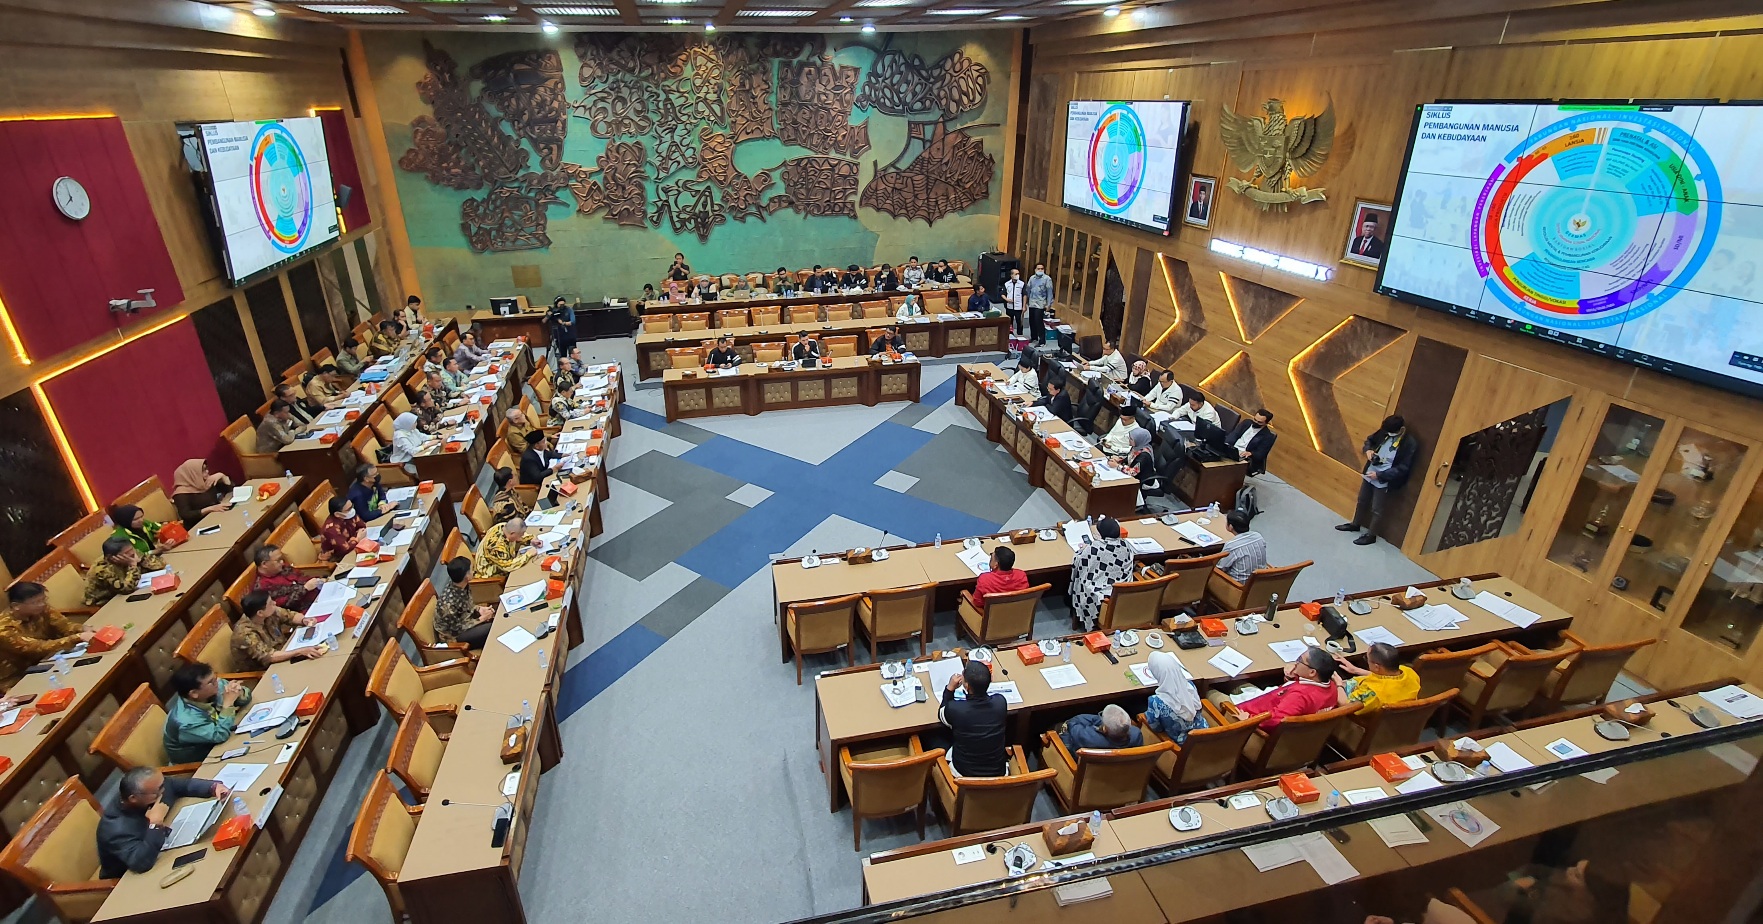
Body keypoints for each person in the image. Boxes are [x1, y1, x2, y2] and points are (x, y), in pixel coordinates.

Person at [97, 767, 231, 878]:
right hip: (127, 880)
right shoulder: (115, 828)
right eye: (158, 791)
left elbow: (179, 785)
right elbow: (141, 863)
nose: (163, 791)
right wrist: (155, 824)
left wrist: (213, 787)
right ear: (133, 798)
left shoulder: (151, 789)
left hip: (163, 846)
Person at [1337, 415, 1419, 546]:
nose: (1388, 434)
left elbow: (1403, 468)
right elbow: (1369, 440)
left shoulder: (1409, 443)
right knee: (1362, 500)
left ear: (1400, 429)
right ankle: (1355, 524)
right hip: (1370, 471)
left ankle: (1371, 535)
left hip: (1385, 478)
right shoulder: (1384, 431)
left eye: (1391, 432)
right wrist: (1368, 450)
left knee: (1377, 509)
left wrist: (1380, 475)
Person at [1207, 647, 1340, 728]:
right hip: (1266, 697)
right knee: (1232, 680)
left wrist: (1249, 719)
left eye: (1300, 660)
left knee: (1208, 691)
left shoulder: (1300, 697)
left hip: (1246, 715)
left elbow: (1276, 720)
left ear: (1312, 672)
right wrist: (1293, 677)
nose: (1296, 662)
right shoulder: (1332, 687)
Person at [0, 583, 92, 690]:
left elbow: (65, 626)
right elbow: (38, 647)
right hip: (18, 677)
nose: (42, 604)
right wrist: (78, 637)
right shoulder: (4, 628)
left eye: (43, 599)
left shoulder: (42, 609)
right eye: (35, 602)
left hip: (50, 661)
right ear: (16, 606)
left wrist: (82, 629)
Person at [163, 661, 252, 764]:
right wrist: (228, 705)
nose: (218, 682)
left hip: (221, 742)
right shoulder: (186, 721)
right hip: (200, 761)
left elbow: (245, 698)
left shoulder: (215, 686)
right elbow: (219, 735)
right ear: (194, 693)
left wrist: (239, 693)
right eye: (211, 682)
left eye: (215, 677)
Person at [939, 659, 1008, 777]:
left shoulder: (956, 709)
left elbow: (942, 714)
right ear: (991, 679)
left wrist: (949, 689)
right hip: (998, 775)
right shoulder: (1000, 702)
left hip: (964, 776)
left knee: (935, 739)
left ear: (966, 685)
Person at [1070, 517, 1136, 631]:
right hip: (1124, 589)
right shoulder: (1126, 545)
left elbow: (1079, 562)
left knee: (1079, 581)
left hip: (1102, 593)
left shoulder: (1094, 548)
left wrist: (1083, 550)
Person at [232, 591, 323, 670]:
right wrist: (299, 652)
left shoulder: (269, 612)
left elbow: (290, 615)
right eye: (270, 603)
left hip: (284, 651)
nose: (274, 603)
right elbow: (269, 656)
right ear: (260, 613)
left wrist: (304, 620)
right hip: (265, 670)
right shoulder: (245, 634)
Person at [1144, 651, 1207, 743]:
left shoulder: (1156, 702)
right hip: (1205, 736)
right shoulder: (1190, 686)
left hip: (1183, 744)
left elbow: (1156, 728)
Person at [1336, 643, 1420, 712]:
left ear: (1377, 667)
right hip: (1399, 715)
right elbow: (1386, 678)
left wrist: (1338, 684)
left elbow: (1345, 706)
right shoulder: (1409, 672)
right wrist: (1356, 670)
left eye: (1366, 658)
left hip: (1366, 714)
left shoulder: (1371, 693)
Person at [435, 557, 496, 650]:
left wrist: (479, 609)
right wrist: (482, 619)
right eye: (471, 570)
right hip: (455, 637)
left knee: (496, 617)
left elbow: (466, 606)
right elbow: (457, 629)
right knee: (493, 628)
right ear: (467, 577)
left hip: (465, 621)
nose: (473, 571)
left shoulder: (460, 585)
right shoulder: (448, 605)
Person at [83, 536, 162, 607]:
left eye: (132, 549)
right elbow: (126, 589)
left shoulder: (130, 554)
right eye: (127, 553)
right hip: (104, 603)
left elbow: (160, 564)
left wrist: (141, 560)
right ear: (112, 558)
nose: (132, 553)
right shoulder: (102, 569)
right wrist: (133, 566)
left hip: (121, 596)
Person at [251, 545, 321, 613]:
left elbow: (300, 576)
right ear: (264, 564)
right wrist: (304, 589)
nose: (282, 562)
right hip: (305, 610)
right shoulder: (262, 587)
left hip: (317, 594)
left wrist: (317, 580)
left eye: (282, 559)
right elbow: (283, 606)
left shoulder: (282, 567)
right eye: (278, 560)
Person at [171, 458, 233, 526]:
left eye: (206, 468)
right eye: (203, 471)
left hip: (217, 517)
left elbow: (230, 491)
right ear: (193, 474)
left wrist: (223, 476)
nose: (207, 472)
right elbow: (186, 515)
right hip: (198, 525)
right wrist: (210, 509)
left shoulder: (206, 482)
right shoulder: (181, 493)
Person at [474, 516, 541, 578]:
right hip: (491, 573)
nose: (522, 536)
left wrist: (530, 539)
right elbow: (508, 566)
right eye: (521, 535)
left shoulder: (503, 526)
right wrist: (528, 554)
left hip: (504, 560)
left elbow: (519, 535)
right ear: (512, 533)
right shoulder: (496, 546)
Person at [970, 545, 1029, 611]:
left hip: (992, 615)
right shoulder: (1021, 576)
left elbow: (977, 603)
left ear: (996, 565)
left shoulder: (984, 580)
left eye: (991, 558)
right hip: (1016, 612)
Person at [1062, 704, 1143, 750]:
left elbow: (1073, 723)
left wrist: (1101, 719)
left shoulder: (1087, 737)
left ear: (1104, 729)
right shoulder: (1137, 735)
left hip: (1088, 771)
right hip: (1123, 771)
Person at [1218, 508, 1268, 581]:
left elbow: (1220, 567)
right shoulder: (1258, 536)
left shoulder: (1232, 545)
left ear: (1231, 527)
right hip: (1260, 581)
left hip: (1238, 585)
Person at [1225, 408, 1277, 476]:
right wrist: (1227, 444)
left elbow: (1260, 454)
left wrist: (1251, 453)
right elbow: (1234, 434)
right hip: (1233, 448)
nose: (1255, 422)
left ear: (1266, 423)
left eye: (1259, 422)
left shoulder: (1268, 436)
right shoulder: (1246, 423)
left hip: (1244, 455)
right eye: (1255, 419)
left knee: (1226, 468)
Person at [319, 497, 364, 561]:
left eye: (352, 506)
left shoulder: (348, 514)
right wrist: (358, 538)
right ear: (337, 514)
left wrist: (355, 538)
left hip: (352, 547)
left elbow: (362, 526)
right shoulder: (331, 530)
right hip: (337, 558)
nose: (352, 510)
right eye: (349, 509)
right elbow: (345, 549)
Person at [1026, 263, 1053, 344]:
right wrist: (1027, 300)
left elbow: (1049, 292)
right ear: (1035, 270)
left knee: (1038, 321)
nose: (1040, 270)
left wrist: (1049, 304)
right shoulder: (1032, 278)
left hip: (1041, 303)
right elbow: (1028, 289)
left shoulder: (1047, 279)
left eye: (1042, 268)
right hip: (1032, 302)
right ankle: (1034, 337)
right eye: (1038, 268)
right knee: (1032, 321)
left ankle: (1042, 340)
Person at [1000, 267, 1027, 334]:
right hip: (1009, 306)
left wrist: (1024, 306)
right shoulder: (1007, 284)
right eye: (1016, 274)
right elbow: (1002, 294)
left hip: (1019, 307)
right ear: (1011, 275)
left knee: (1019, 322)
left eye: (1018, 274)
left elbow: (1024, 295)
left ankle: (1020, 335)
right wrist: (1007, 299)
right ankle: (1010, 335)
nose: (1017, 275)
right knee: (1009, 322)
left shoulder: (1022, 284)